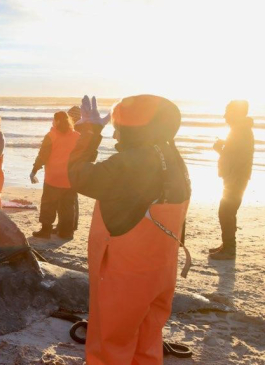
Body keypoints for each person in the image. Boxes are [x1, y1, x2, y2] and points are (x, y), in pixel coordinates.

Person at [69, 95, 190, 365]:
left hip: (124, 272)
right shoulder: (172, 155)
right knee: (148, 338)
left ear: (136, 128)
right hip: (161, 268)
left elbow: (79, 176)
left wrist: (90, 132)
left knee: (110, 342)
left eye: (119, 126)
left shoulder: (130, 163)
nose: (115, 132)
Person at [209, 100, 254, 260]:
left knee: (226, 212)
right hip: (235, 176)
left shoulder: (240, 130)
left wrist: (219, 149)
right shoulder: (240, 129)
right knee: (228, 212)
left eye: (228, 112)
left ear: (236, 113)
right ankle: (227, 245)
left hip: (236, 177)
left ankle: (229, 249)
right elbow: (236, 152)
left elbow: (234, 157)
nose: (225, 116)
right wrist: (225, 144)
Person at [30, 111, 80, 239]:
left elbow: (42, 156)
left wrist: (34, 170)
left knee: (48, 204)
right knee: (68, 206)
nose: (52, 122)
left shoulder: (51, 136)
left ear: (57, 121)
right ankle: (66, 232)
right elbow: (83, 155)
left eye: (53, 120)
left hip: (53, 177)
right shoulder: (77, 136)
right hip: (70, 178)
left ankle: (46, 231)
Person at [67, 106, 82, 231]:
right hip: (75, 165)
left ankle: (70, 225)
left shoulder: (76, 130)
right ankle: (72, 224)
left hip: (72, 166)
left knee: (70, 196)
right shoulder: (80, 129)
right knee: (72, 196)